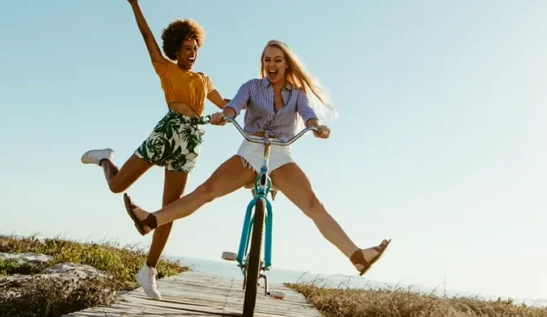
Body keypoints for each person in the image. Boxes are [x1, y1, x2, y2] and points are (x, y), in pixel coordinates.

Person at [122, 40, 391, 277]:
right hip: (250, 151)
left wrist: (316, 126)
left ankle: (357, 257)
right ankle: (150, 221)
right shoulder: (251, 86)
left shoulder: (297, 94)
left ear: (287, 65)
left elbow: (308, 113)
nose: (271, 65)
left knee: (313, 205)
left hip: (281, 154)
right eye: (266, 60)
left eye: (277, 60)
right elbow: (234, 105)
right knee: (206, 191)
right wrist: (224, 114)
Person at [81, 0, 230, 299]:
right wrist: (135, 3)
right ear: (175, 49)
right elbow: (146, 35)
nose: (192, 53)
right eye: (187, 49)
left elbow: (227, 104)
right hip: (167, 133)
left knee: (171, 208)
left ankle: (148, 269)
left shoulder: (204, 80)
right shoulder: (165, 68)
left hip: (191, 142)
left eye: (195, 49)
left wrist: (231, 111)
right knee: (117, 185)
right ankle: (104, 157)